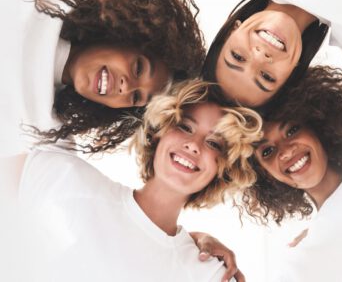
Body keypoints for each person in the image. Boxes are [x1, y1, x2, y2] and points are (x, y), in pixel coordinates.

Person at [14, 80, 262, 282]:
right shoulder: (67, 179)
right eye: (185, 127)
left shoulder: (208, 273)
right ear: (158, 134)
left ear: (223, 171)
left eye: (213, 143)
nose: (193, 145)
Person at [0, 0, 205, 156]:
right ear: (123, 37)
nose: (126, 87)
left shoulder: (45, 137)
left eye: (136, 97)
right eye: (138, 68)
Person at [240, 62, 342, 280]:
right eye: (267, 151)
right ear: (264, 175)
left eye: (292, 130)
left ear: (318, 124)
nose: (285, 153)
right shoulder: (304, 258)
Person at [202, 0, 342, 107]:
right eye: (267, 77)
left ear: (231, 30)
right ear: (292, 73)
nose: (260, 57)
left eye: (237, 57)